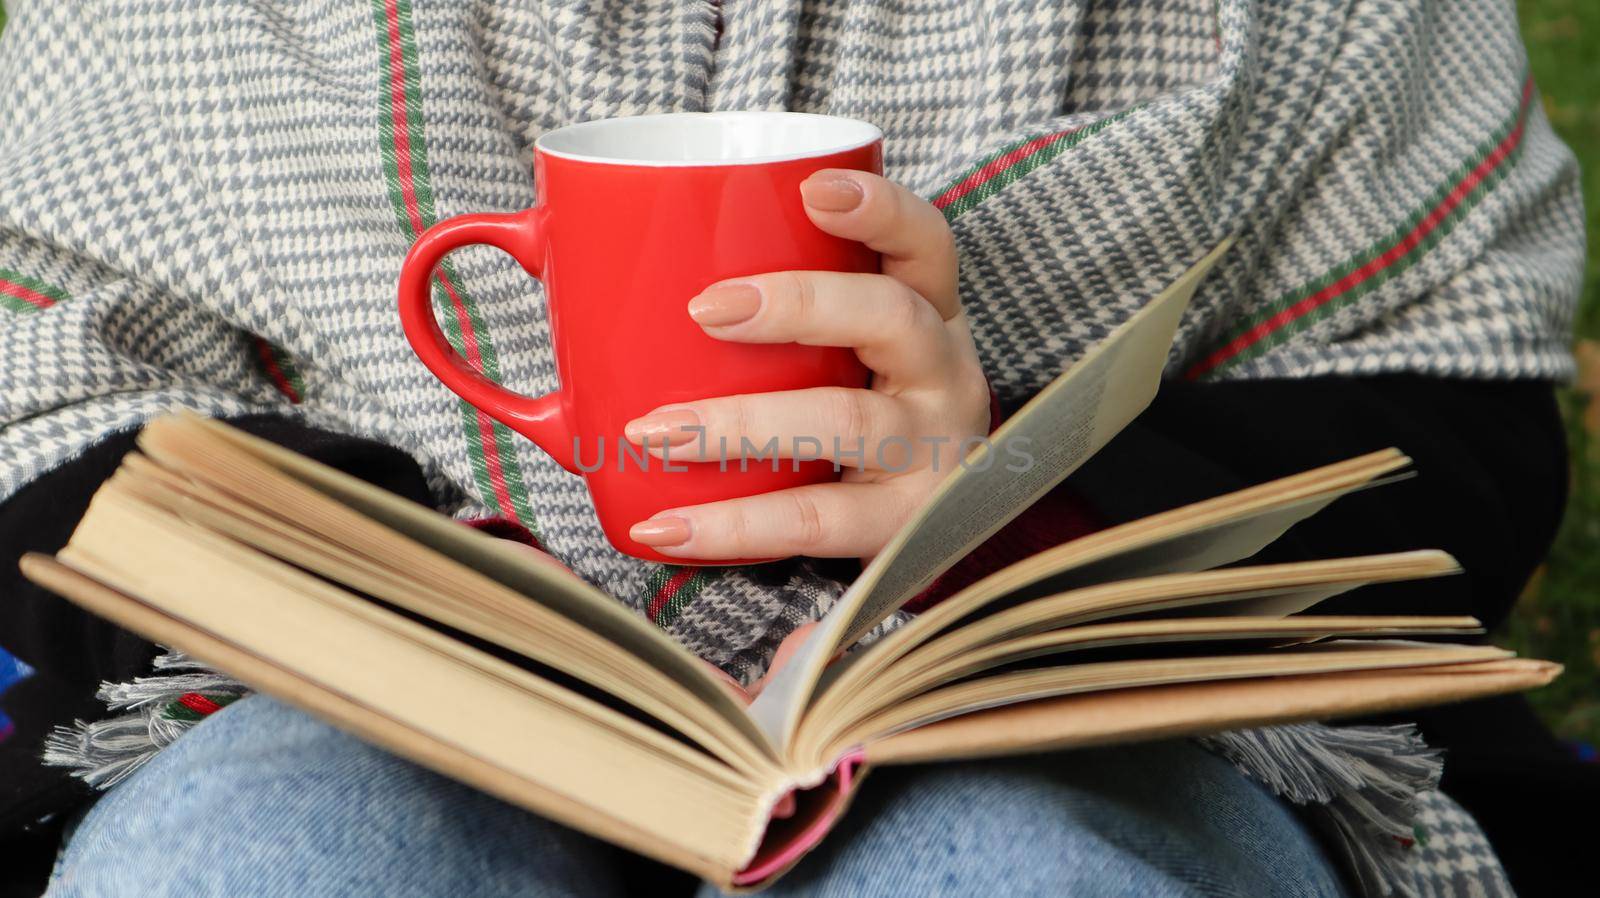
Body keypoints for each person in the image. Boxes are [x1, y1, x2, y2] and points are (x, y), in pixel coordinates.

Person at [0, 1, 1587, 896]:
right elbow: (42, 350)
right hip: (350, 697)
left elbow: (1452, 400)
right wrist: (401, 587)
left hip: (1031, 698)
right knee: (259, 864)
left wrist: (1022, 503)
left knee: (1022, 879)